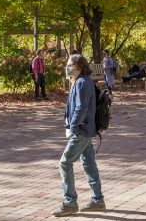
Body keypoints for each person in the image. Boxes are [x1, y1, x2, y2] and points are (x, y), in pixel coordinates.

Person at [52, 54, 105, 217]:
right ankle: (98, 200)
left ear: (79, 66)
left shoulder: (82, 82)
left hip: (81, 130)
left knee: (65, 163)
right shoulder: (82, 81)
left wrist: (73, 127)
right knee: (89, 164)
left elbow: (80, 108)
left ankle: (70, 202)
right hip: (86, 129)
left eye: (70, 65)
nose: (67, 67)